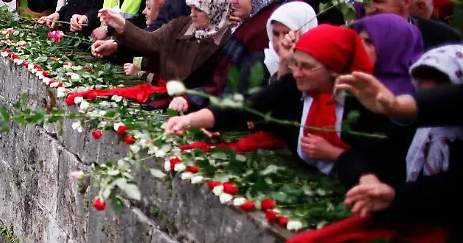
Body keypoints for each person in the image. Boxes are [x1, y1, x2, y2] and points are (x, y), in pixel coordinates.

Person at [164, 25, 387, 176]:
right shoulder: (295, 86)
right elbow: (245, 105)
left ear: (335, 70)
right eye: (295, 64)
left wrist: (335, 154)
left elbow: (377, 165)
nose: (297, 73)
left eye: (307, 67)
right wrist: (189, 120)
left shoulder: (363, 105)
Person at [335, 47, 463, 243]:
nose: (428, 87)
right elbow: (355, 156)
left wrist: (397, 196)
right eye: (422, 79)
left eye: (441, 82)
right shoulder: (412, 127)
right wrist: (365, 177)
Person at [170, 0, 292, 112]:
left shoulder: (263, 30)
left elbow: (234, 84)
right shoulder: (249, 22)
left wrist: (193, 101)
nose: (233, 0)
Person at [95, 0, 232, 88]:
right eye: (192, 8)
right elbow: (151, 41)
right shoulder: (181, 25)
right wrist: (121, 25)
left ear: (217, 10)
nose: (192, 14)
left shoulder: (230, 41)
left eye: (199, 9)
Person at [367, 0, 462, 50]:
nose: (369, 8)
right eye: (366, 1)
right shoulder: (360, 31)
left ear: (407, 1)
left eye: (378, 1)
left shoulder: (444, 40)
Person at [349, 14, 424, 96]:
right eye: (358, 39)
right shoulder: (350, 80)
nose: (358, 46)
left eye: (369, 42)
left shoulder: (412, 97)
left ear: (392, 48)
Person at [264, 1, 318, 78]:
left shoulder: (319, 67)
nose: (280, 42)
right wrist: (284, 63)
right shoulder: (261, 64)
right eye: (276, 34)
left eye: (287, 34)